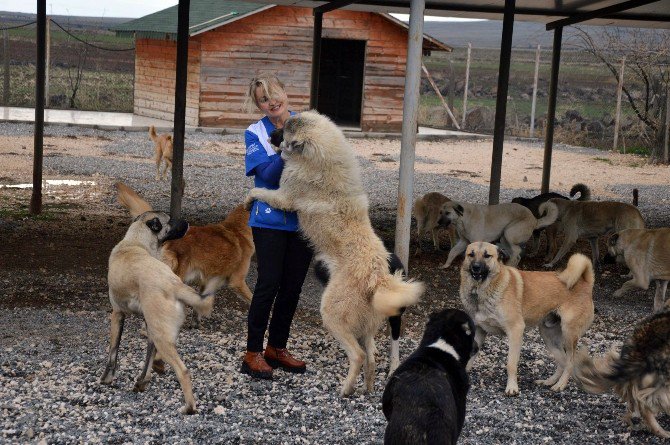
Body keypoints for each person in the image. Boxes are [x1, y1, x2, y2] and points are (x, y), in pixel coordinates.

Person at [240, 75, 313, 380]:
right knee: (268, 283)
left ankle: (277, 348)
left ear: (286, 92)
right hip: (269, 218)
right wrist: (288, 149)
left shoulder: (308, 123)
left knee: (293, 287)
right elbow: (268, 177)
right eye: (263, 98)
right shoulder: (254, 133)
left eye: (274, 94)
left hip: (303, 217)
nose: (271, 101)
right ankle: (253, 352)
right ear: (258, 104)